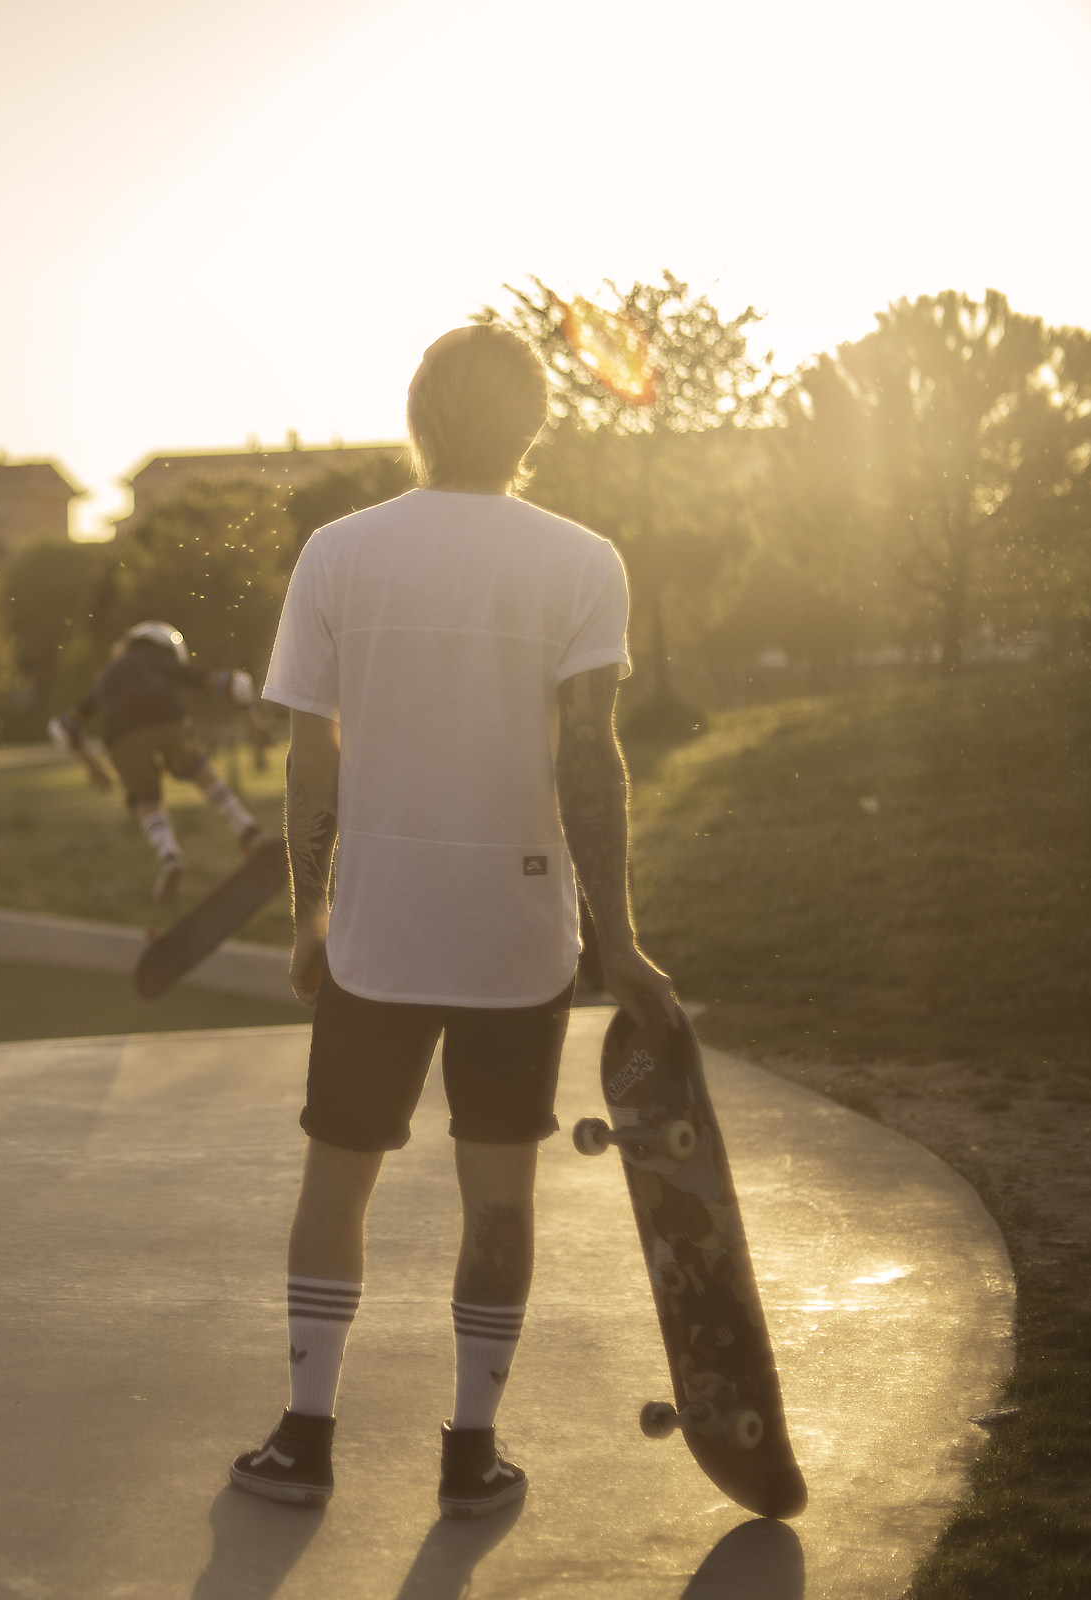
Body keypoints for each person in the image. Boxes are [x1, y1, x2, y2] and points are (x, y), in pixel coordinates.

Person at [226, 324, 681, 1519]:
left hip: (379, 928)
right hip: (516, 935)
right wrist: (618, 937)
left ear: (416, 413)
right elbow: (595, 760)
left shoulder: (338, 553)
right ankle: (472, 1450)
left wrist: (308, 914)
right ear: (534, 426)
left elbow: (310, 761)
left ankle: (305, 1436)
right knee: (499, 1198)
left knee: (338, 1185)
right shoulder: (584, 560)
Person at [49, 623, 263, 900]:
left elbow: (61, 727)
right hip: (167, 716)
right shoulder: (159, 660)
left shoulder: (107, 675)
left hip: (120, 733)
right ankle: (246, 829)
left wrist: (91, 764)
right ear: (167, 649)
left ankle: (169, 854)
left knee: (144, 797)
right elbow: (230, 683)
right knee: (196, 767)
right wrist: (252, 716)